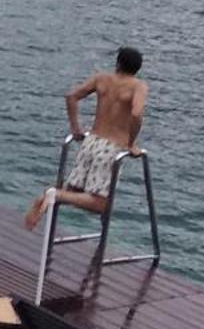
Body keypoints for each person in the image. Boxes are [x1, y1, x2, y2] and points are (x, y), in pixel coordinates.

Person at [24, 47, 147, 229]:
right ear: (138, 68)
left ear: (118, 63)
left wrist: (76, 128)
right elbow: (136, 114)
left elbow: (71, 96)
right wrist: (131, 143)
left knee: (74, 191)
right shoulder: (138, 86)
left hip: (91, 142)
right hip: (111, 148)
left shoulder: (101, 78)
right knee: (101, 204)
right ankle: (54, 195)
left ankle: (48, 197)